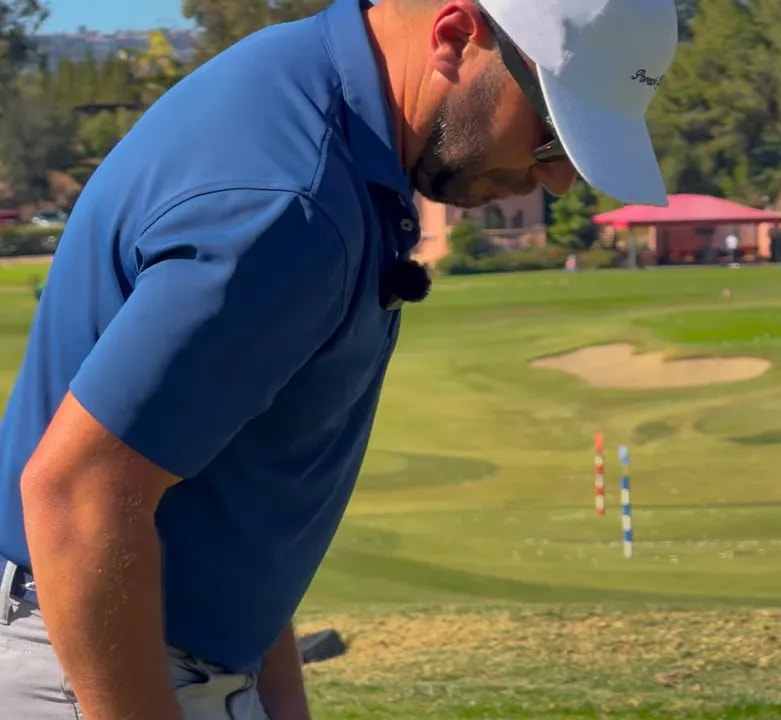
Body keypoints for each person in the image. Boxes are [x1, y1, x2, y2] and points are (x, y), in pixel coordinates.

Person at [0, 0, 677, 717]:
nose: (558, 179)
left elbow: (237, 500)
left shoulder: (318, 106)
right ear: (454, 37)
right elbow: (77, 494)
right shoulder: (291, 208)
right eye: (549, 136)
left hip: (154, 657)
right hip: (98, 668)